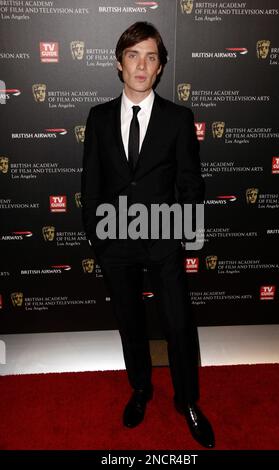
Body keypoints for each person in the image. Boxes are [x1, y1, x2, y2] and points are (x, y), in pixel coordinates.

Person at [81, 21, 215, 448]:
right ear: (119, 64)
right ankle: (141, 389)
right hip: (114, 242)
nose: (142, 65)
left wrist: (182, 237)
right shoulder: (99, 118)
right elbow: (91, 184)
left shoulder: (179, 118)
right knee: (130, 324)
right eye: (133, 55)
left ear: (160, 68)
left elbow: (191, 184)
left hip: (163, 241)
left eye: (151, 57)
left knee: (178, 325)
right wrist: (99, 242)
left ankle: (188, 401)